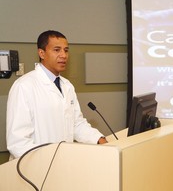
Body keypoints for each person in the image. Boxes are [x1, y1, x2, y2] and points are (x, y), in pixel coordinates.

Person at [6, 30, 107, 159]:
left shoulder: (67, 86)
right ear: (41, 53)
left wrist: (100, 139)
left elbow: (76, 124)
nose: (63, 55)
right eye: (57, 50)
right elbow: (18, 142)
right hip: (35, 168)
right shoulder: (24, 86)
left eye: (66, 50)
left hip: (62, 164)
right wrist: (47, 161)